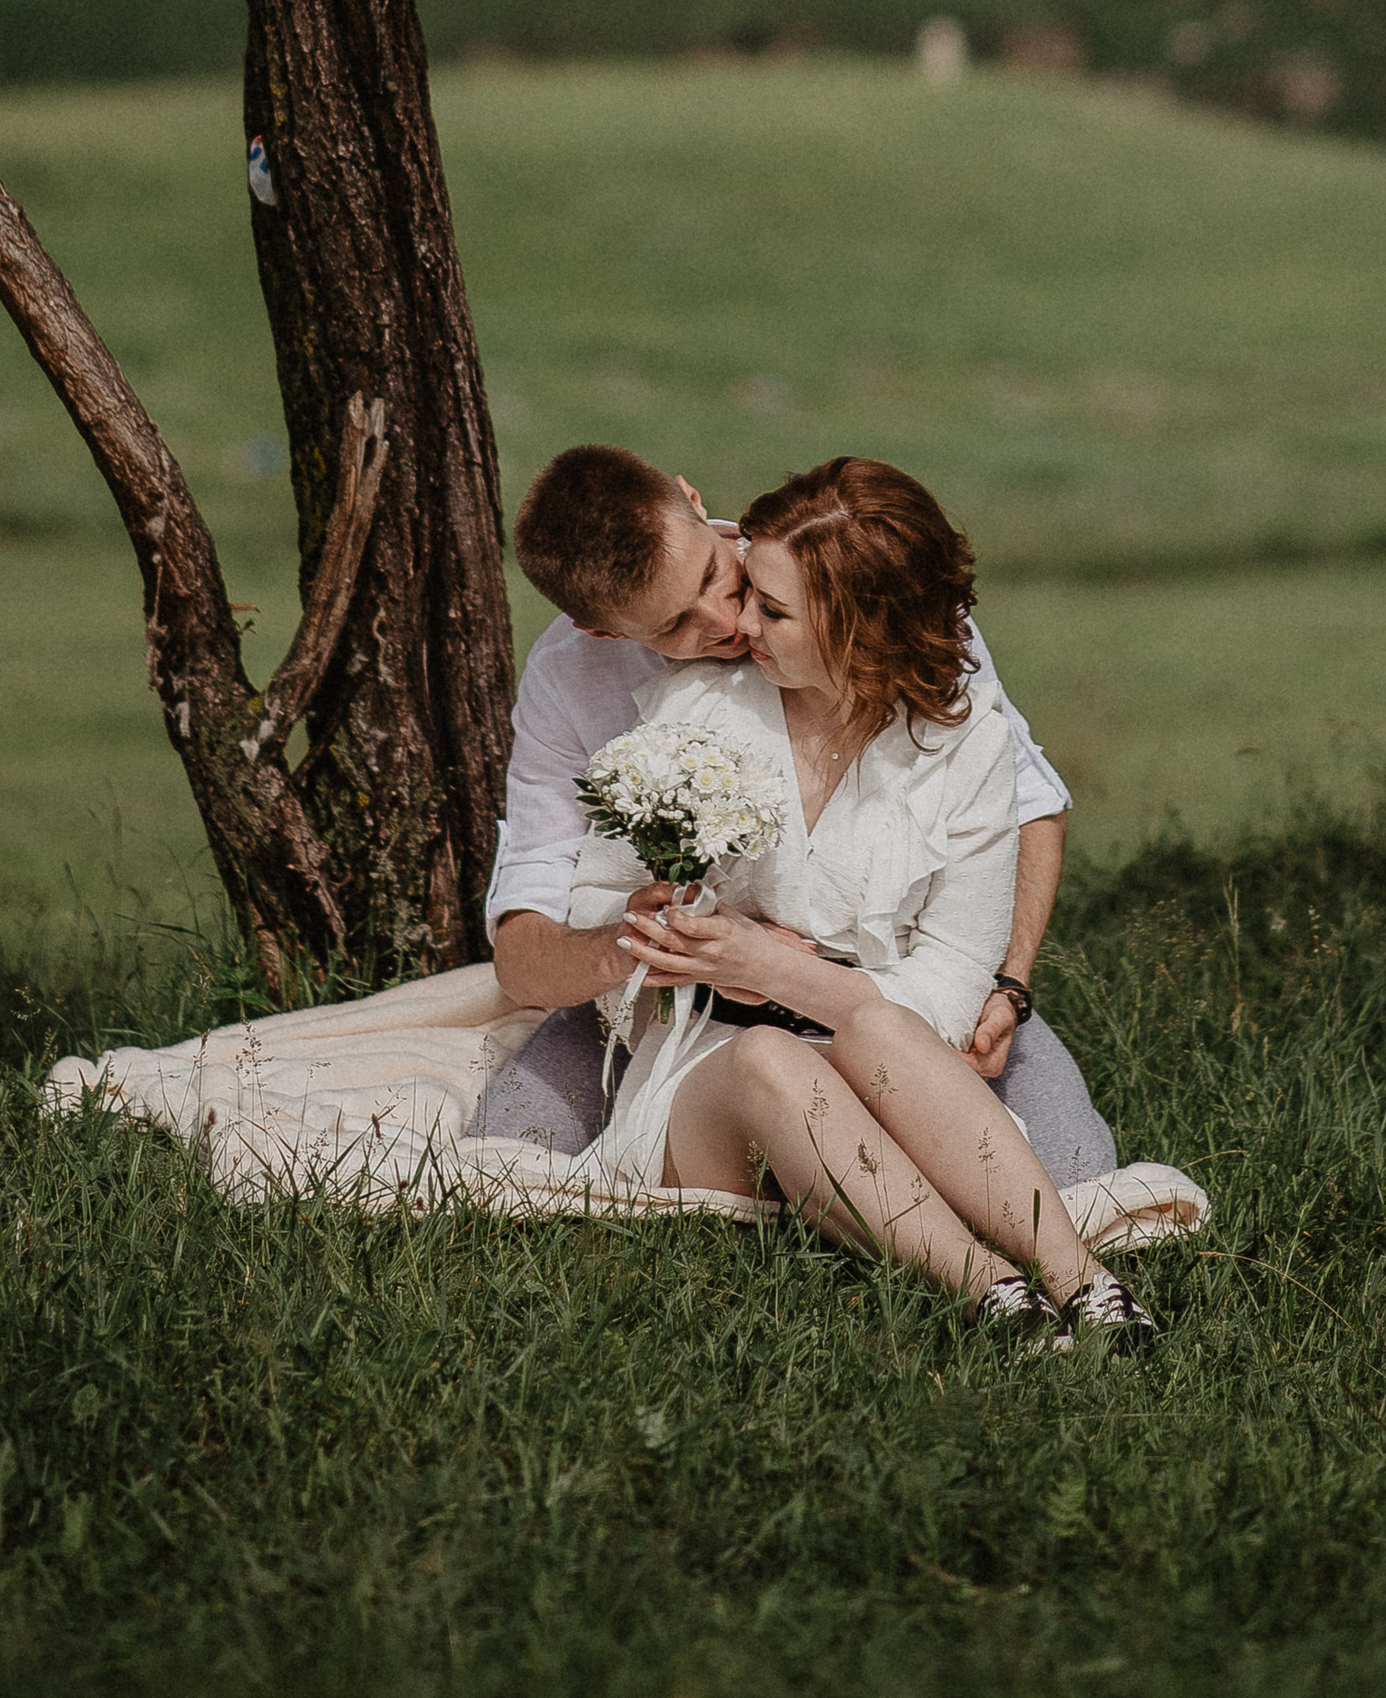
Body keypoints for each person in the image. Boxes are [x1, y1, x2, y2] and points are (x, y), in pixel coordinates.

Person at [566, 454, 1151, 1340]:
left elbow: (954, 987)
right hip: (709, 1076)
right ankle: (992, 1289)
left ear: (855, 627)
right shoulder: (695, 714)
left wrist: (788, 973)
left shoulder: (968, 748)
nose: (738, 624)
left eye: (770, 609)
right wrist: (667, 941)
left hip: (889, 1065)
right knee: (771, 1058)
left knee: (876, 1026)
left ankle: (1090, 1289)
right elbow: (594, 919)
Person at [472, 441, 1116, 1190]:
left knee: (1075, 1179)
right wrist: (648, 947)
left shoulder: (859, 590)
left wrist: (1006, 986)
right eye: (677, 625)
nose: (730, 621)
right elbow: (528, 939)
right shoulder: (570, 680)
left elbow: (1028, 803)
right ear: (605, 632)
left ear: (690, 494)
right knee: (501, 1164)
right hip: (688, 1005)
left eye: (719, 574)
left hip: (901, 979)